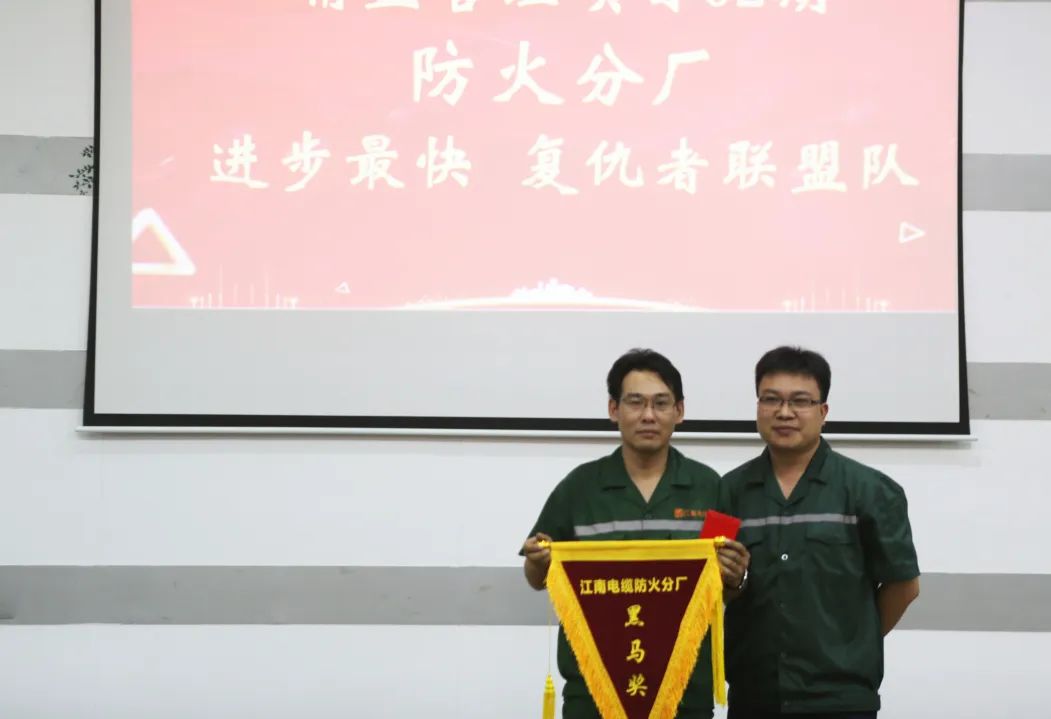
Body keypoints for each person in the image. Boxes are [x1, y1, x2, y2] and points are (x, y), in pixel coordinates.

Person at [521, 348, 750, 719]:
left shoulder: (711, 488)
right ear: (614, 409)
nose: (648, 415)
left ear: (679, 411)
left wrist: (737, 576)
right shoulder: (578, 488)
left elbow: (726, 589)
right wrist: (537, 559)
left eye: (661, 403)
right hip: (593, 696)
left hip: (684, 695)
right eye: (635, 402)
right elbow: (536, 578)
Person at [721, 346, 920, 719]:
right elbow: (711, 587)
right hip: (753, 697)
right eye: (771, 399)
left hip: (841, 700)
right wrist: (732, 582)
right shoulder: (725, 493)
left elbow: (904, 586)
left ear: (823, 411)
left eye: (800, 401)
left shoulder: (871, 490)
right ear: (758, 406)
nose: (784, 412)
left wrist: (851, 644)